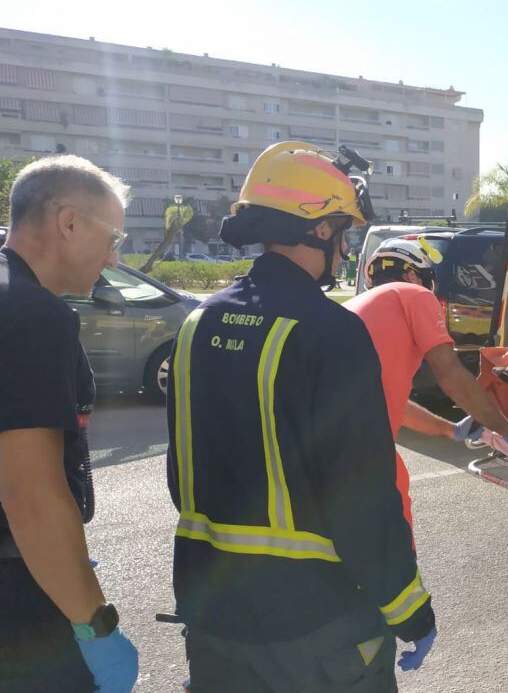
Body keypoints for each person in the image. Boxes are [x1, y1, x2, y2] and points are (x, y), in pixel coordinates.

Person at [168, 142, 434, 693]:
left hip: (212, 611)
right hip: (314, 625)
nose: (344, 247)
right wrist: (410, 608)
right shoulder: (330, 332)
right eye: (343, 231)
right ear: (319, 230)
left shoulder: (199, 322)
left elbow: (182, 472)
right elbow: (360, 493)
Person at [0, 156, 138, 693]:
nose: (113, 256)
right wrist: (94, 624)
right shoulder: (32, 314)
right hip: (17, 600)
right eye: (113, 237)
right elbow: (29, 495)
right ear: (70, 223)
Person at [343, 239, 508, 461]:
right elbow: (450, 373)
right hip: (361, 449)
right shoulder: (413, 294)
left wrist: (452, 430)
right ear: (412, 275)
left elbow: (393, 403)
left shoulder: (356, 307)